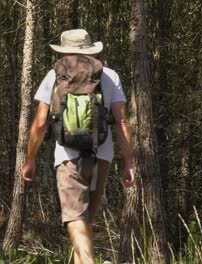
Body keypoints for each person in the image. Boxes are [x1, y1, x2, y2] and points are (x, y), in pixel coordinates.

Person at [22, 29, 135, 264]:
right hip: (101, 153)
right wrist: (129, 163)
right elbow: (121, 121)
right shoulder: (110, 76)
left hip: (68, 156)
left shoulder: (54, 76)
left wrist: (30, 159)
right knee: (86, 222)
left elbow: (41, 122)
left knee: (75, 220)